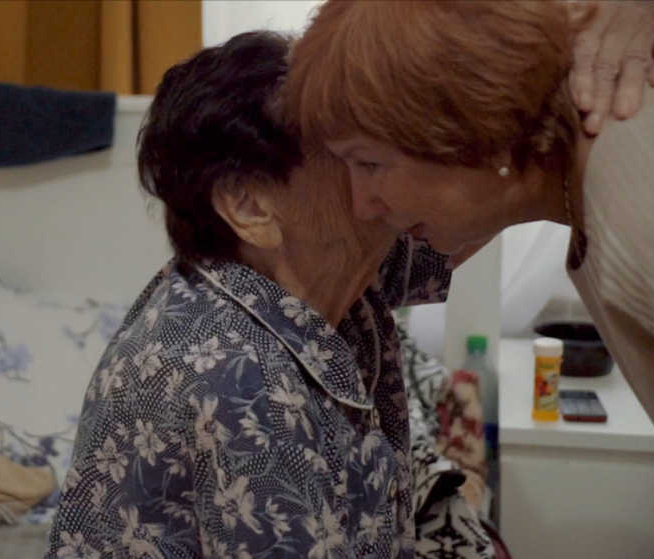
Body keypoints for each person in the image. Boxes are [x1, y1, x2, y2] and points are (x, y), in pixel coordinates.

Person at [282, 0, 654, 554]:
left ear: (472, 130)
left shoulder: (653, 210)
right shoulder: (593, 175)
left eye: (370, 163)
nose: (362, 203)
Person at [43, 31, 463, 559]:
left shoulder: (323, 273)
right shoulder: (242, 383)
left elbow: (464, 221)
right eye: (353, 155)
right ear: (251, 207)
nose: (385, 167)